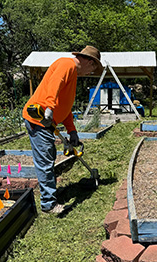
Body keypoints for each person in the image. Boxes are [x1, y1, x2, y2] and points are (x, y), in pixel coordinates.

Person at [22, 45, 103, 213]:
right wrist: (49, 108)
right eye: (92, 69)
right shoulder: (66, 64)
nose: (90, 73)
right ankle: (48, 204)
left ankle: (49, 197)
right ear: (89, 61)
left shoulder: (72, 74)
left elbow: (66, 105)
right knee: (45, 160)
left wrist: (72, 130)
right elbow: (54, 85)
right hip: (39, 118)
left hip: (46, 120)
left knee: (48, 156)